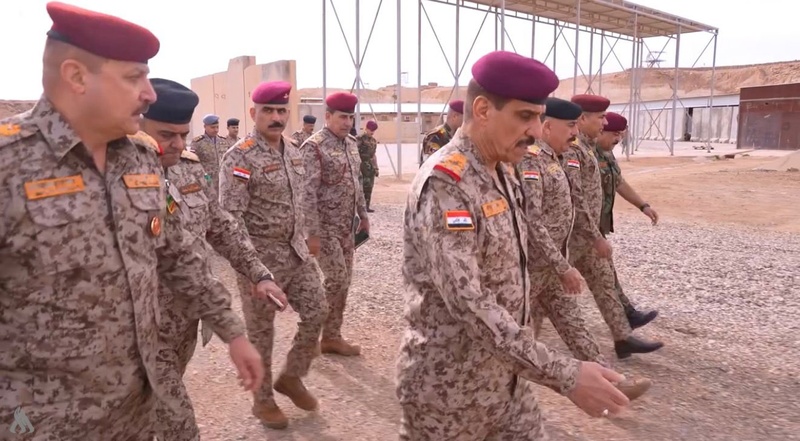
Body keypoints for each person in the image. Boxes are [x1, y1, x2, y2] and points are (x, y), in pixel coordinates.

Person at [0, 3, 263, 440]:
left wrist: (232, 330)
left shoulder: (139, 157)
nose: (149, 93)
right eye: (133, 77)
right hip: (41, 423)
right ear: (77, 76)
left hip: (135, 410)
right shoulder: (10, 164)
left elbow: (178, 254)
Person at [397, 50, 630, 441]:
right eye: (525, 116)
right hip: (449, 395)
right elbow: (469, 303)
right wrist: (566, 374)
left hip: (506, 381)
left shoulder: (503, 169)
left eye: (539, 117)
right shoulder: (446, 183)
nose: (536, 130)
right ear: (483, 110)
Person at [140, 78, 289, 440]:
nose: (178, 144)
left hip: (184, 321)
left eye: (182, 135)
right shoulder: (122, 177)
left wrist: (259, 274)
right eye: (166, 135)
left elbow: (220, 227)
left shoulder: (188, 167)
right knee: (179, 424)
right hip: (143, 329)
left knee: (147, 412)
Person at [519, 98, 653, 400]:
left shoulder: (555, 157)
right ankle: (501, 395)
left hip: (552, 267)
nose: (574, 131)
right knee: (518, 336)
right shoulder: (532, 161)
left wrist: (562, 264)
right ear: (547, 127)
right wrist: (563, 265)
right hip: (531, 269)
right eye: (570, 126)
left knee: (575, 326)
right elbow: (533, 221)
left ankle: (613, 383)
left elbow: (571, 206)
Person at [220, 81, 330, 429]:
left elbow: (302, 199)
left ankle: (292, 376)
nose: (276, 117)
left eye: (282, 110)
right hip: (260, 258)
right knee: (261, 333)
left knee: (318, 310)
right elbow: (231, 218)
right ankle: (263, 401)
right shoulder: (239, 156)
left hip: (295, 253)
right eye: (268, 110)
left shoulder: (294, 150)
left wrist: (310, 235)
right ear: (254, 113)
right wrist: (253, 270)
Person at [565, 94, 662, 359]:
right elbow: (576, 199)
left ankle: (623, 337)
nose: (605, 123)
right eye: (601, 118)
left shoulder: (590, 149)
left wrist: (642, 205)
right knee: (544, 293)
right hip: (569, 238)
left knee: (605, 282)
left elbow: (615, 184)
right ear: (582, 118)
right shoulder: (573, 151)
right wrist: (595, 235)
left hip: (589, 236)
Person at [301, 92, 370, 356]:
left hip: (346, 228)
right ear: (328, 116)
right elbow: (307, 194)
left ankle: (331, 337)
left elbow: (356, 183)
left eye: (350, 117)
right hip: (325, 228)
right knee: (336, 279)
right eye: (342, 117)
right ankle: (310, 334)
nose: (347, 122)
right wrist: (312, 234)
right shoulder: (314, 147)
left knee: (344, 282)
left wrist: (363, 215)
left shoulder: (351, 144)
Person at [596, 112, 661, 329]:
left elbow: (619, 182)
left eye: (620, 135)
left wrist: (643, 205)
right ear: (601, 130)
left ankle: (625, 321)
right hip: (580, 229)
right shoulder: (584, 155)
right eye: (614, 134)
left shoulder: (607, 155)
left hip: (595, 227)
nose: (618, 139)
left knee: (605, 273)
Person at [189, 113, 230, 190]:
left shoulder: (223, 141)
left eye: (217, 127)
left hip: (222, 181)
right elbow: (193, 163)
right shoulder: (198, 142)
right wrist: (204, 178)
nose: (216, 130)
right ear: (205, 127)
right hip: (206, 181)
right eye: (212, 127)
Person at [420, 99, 464, 164]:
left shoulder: (459, 136)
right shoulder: (435, 137)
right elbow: (431, 166)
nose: (467, 122)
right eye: (466, 119)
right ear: (455, 117)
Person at [357, 120, 380, 212]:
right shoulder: (360, 139)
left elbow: (373, 155)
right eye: (371, 130)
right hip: (361, 165)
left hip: (370, 168)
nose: (372, 132)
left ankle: (366, 206)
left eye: (374, 130)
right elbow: (354, 152)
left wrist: (376, 168)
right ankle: (358, 207)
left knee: (369, 187)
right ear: (366, 128)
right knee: (360, 187)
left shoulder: (373, 141)